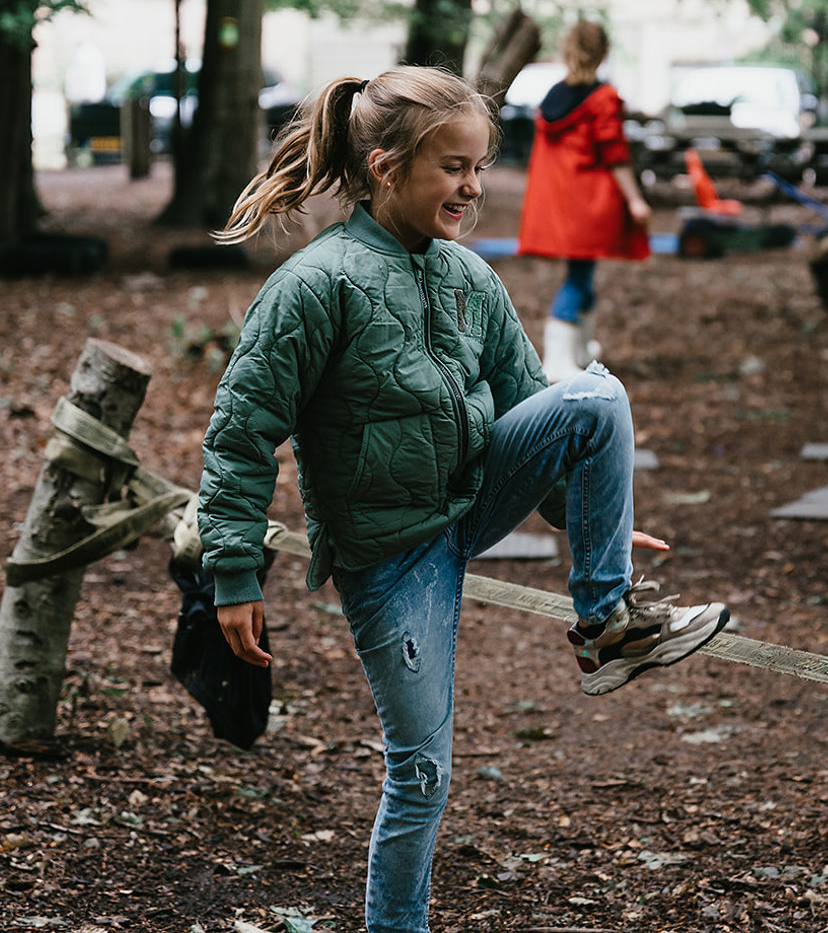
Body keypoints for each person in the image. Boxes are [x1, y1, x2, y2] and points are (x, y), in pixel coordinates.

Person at [198, 65, 729, 933]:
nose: (473, 186)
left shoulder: (467, 277)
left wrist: (595, 522)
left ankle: (607, 625)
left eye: (479, 166)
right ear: (384, 167)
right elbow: (241, 432)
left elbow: (530, 409)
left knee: (594, 397)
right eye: (453, 167)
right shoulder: (315, 285)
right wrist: (233, 573)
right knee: (422, 774)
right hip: (387, 553)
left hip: (470, 499)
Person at [518, 20, 652, 381]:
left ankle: (578, 349)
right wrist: (636, 200)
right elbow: (615, 154)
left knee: (583, 274)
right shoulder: (602, 98)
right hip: (589, 203)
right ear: (604, 53)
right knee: (579, 277)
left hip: (558, 202)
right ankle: (557, 360)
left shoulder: (552, 98)